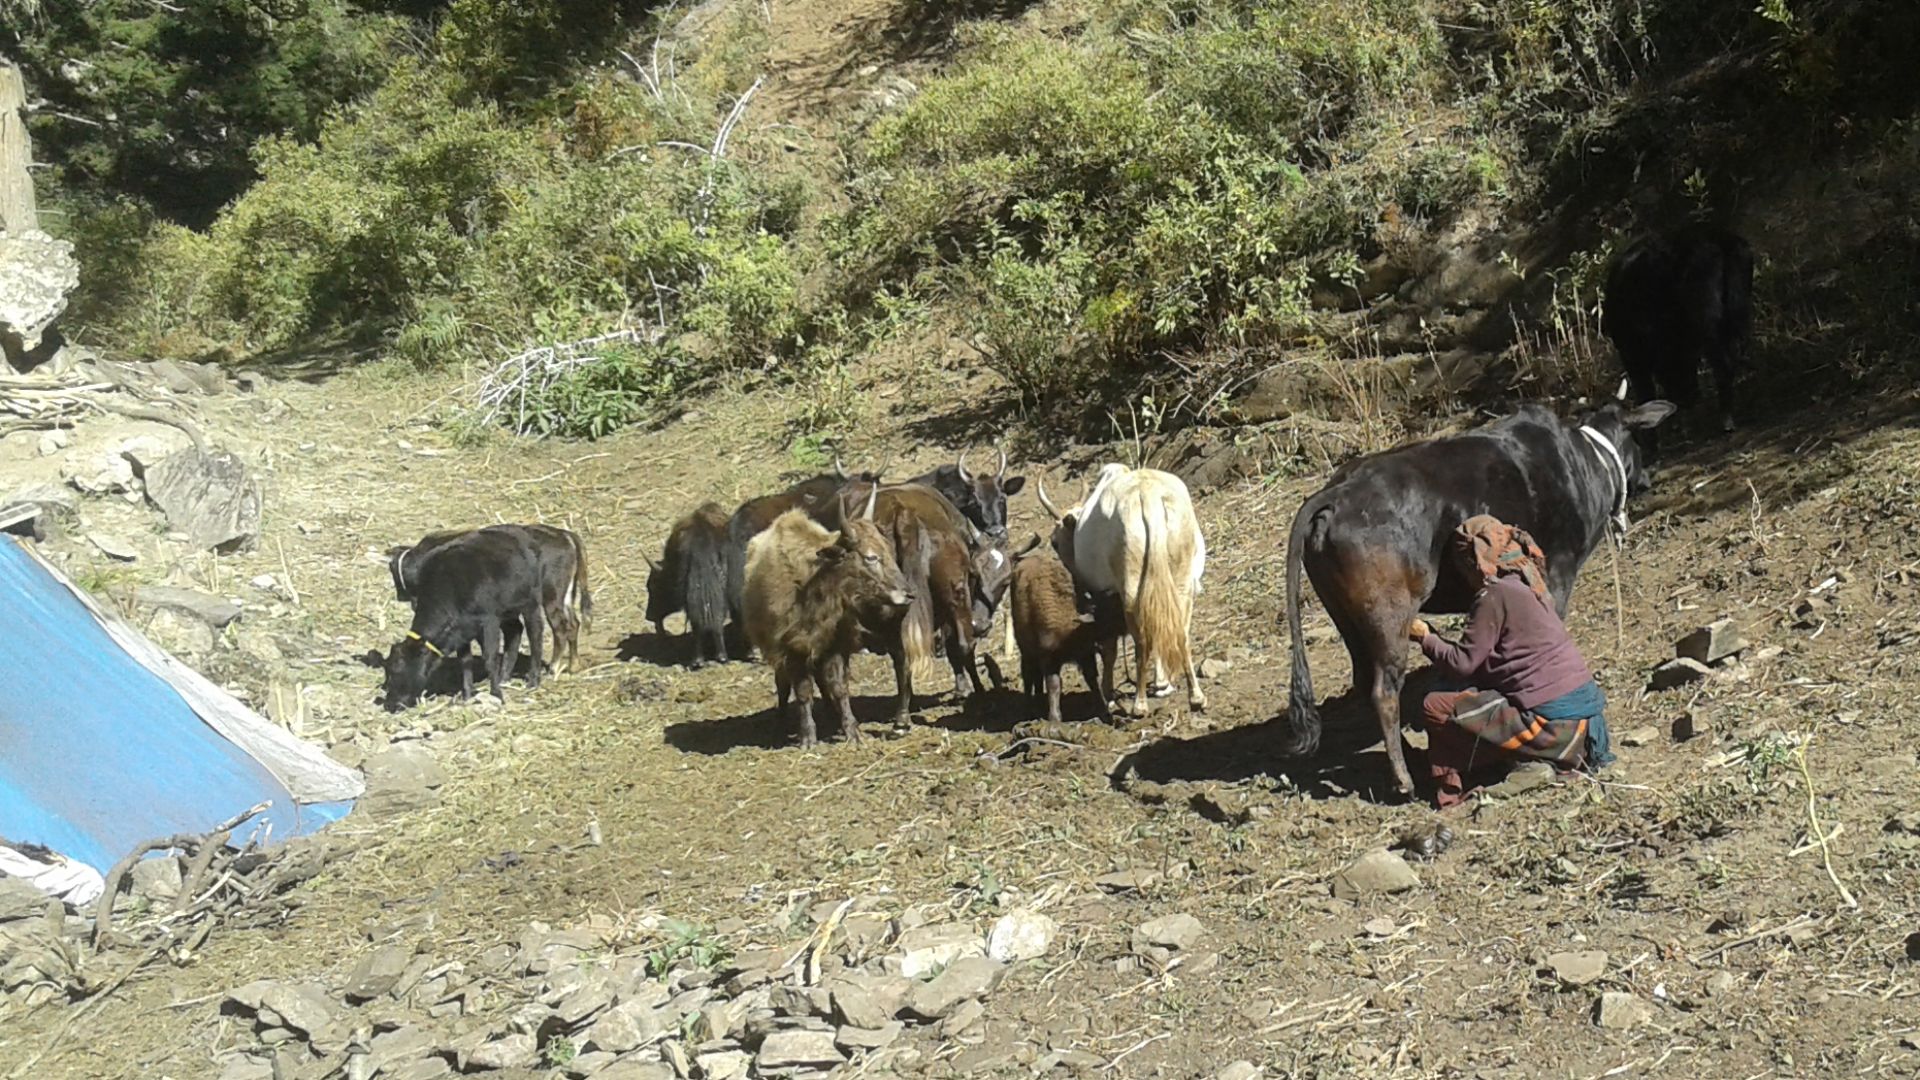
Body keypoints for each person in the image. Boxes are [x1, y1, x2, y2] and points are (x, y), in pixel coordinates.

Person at [1409, 515, 1613, 809]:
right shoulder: (1530, 582)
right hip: (1587, 724)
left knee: (1435, 705)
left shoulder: (1495, 594)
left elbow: (1462, 664)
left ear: (1473, 561)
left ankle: (1451, 793)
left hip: (1557, 727)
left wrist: (1425, 637)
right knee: (1477, 698)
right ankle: (1526, 756)